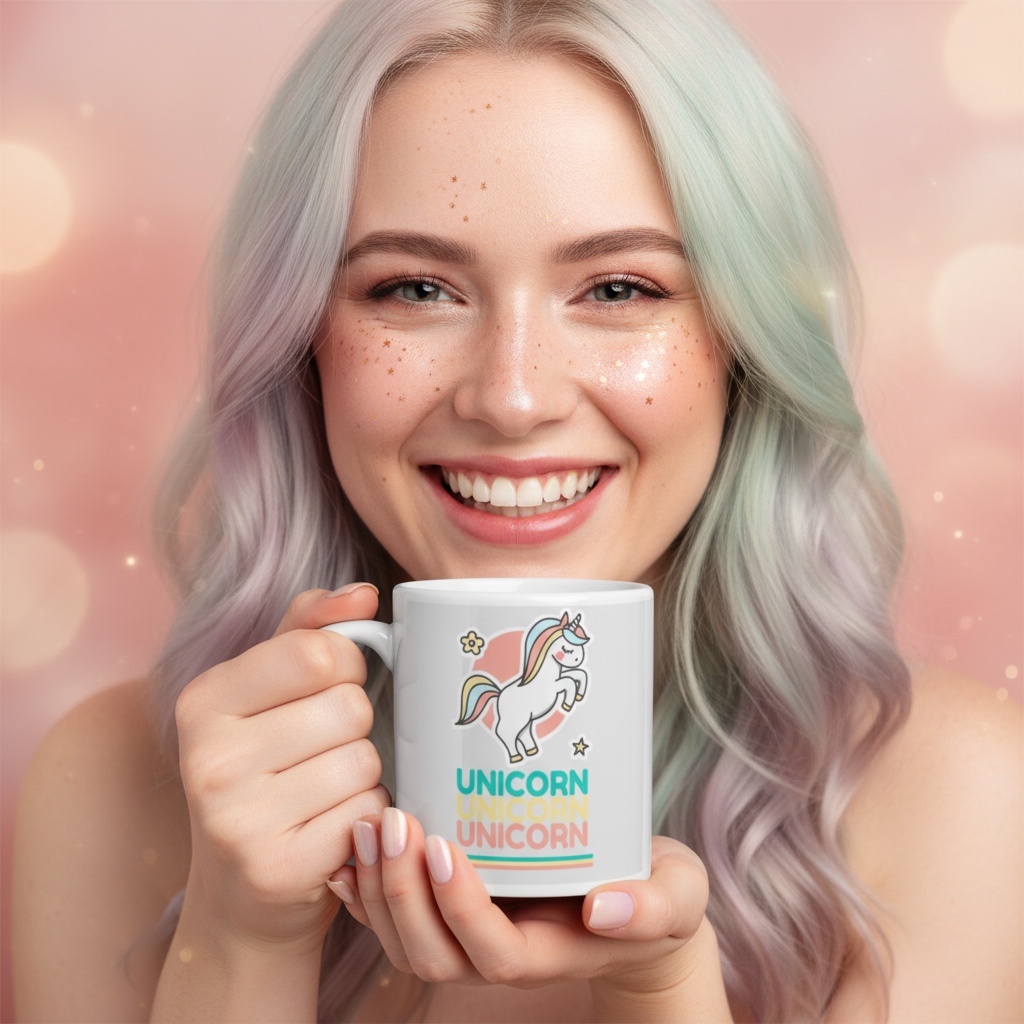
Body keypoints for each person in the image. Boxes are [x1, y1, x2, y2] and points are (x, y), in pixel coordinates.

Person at [11, 1, 1022, 1021]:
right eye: (413, 289)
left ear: (742, 345)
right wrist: (240, 944)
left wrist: (656, 985)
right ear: (303, 340)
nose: (512, 395)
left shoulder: (954, 794)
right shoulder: (109, 786)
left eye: (620, 288)